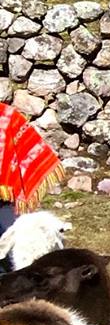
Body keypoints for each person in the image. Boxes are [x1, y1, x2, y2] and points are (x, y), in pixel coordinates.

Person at [0, 100, 57, 241]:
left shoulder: (7, 116)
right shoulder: (7, 115)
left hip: (6, 200)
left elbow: (29, 147)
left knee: (14, 239)